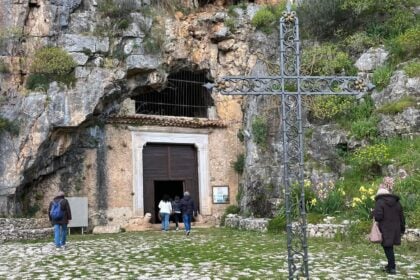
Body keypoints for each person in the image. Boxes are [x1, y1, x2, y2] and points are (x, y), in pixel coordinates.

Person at [372, 177, 405, 275]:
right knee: (389, 247)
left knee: (387, 247)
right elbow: (402, 217)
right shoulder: (397, 202)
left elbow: (378, 217)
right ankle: (390, 265)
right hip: (395, 228)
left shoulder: (380, 202)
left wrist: (373, 213)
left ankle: (392, 267)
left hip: (385, 228)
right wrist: (402, 229)